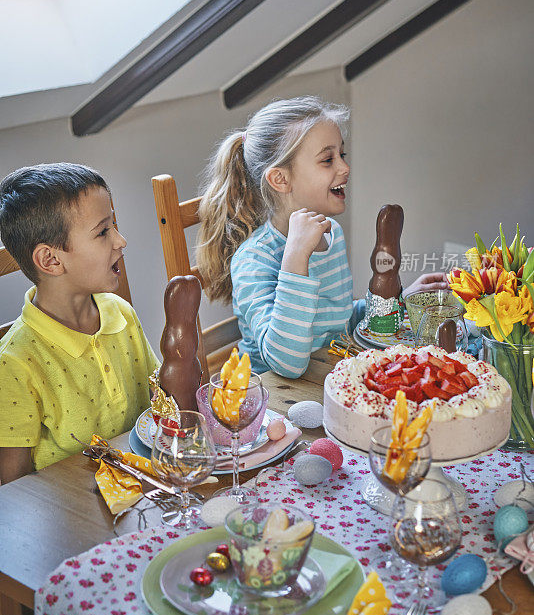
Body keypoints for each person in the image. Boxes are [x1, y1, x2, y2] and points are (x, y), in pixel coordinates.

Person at [197, 96, 447, 378]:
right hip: (270, 399)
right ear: (280, 179)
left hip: (328, 373)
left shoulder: (331, 233)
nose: (344, 168)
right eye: (327, 160)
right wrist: (295, 258)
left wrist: (397, 303)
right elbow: (286, 363)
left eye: (342, 155)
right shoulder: (254, 259)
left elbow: (337, 321)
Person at [0, 163, 158, 484]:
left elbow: (159, 398)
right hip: (73, 518)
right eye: (103, 231)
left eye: (113, 225)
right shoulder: (14, 363)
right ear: (51, 260)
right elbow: (11, 486)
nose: (121, 240)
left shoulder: (119, 312)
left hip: (147, 488)